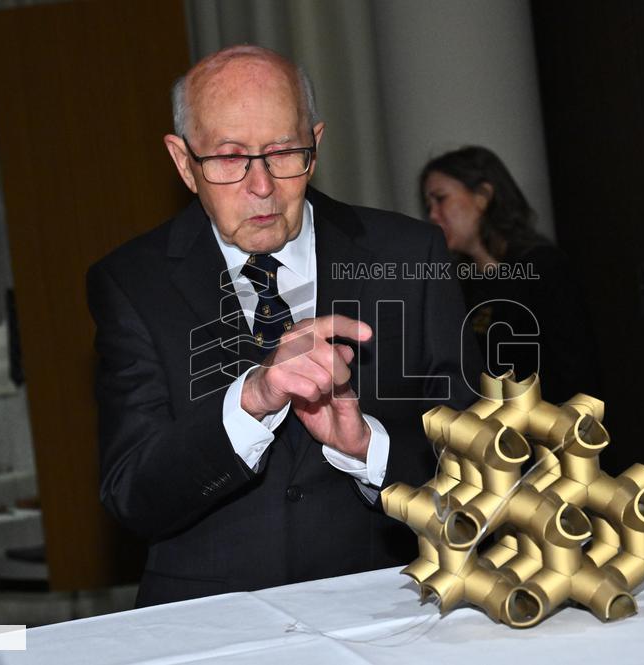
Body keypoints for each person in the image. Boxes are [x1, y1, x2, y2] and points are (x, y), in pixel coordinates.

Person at [87, 45, 479, 607]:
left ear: (314, 145)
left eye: (282, 152)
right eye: (228, 158)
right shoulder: (132, 282)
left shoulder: (408, 253)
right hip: (211, 621)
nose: (262, 186)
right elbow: (132, 494)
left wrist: (368, 448)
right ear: (182, 163)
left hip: (385, 607)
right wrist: (250, 400)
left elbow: (479, 466)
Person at [420, 146, 599, 403]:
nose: (432, 215)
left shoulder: (542, 267)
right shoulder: (460, 281)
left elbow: (578, 371)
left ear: (483, 196)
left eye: (440, 199)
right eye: (428, 205)